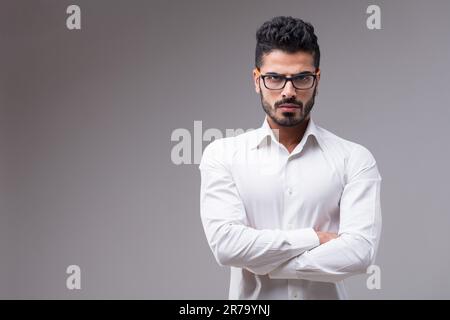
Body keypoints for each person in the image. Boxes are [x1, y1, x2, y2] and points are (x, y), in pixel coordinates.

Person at [199, 16, 382, 300]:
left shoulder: (354, 159)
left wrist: (267, 261)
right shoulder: (222, 156)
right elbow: (226, 246)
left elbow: (359, 253)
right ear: (256, 80)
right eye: (274, 78)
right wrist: (316, 239)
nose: (288, 91)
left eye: (301, 78)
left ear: (317, 80)